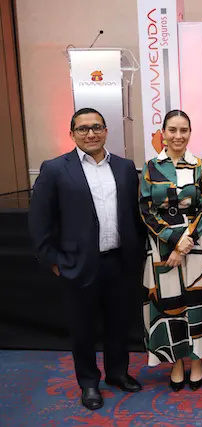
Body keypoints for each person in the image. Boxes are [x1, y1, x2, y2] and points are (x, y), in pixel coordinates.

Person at [28, 108, 145, 410]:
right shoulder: (55, 169)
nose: (90, 133)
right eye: (83, 129)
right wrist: (53, 260)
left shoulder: (124, 167)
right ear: (72, 134)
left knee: (119, 324)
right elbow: (40, 220)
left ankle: (118, 373)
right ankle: (89, 383)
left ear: (106, 131)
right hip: (77, 264)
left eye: (96, 127)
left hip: (120, 261)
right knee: (83, 328)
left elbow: (135, 215)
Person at [139, 109, 202, 392]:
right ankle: (176, 361)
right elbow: (146, 209)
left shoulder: (201, 166)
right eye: (172, 130)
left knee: (197, 301)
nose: (178, 136)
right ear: (162, 133)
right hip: (162, 243)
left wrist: (187, 241)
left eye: (184, 130)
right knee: (169, 304)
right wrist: (173, 240)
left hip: (198, 242)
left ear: (190, 133)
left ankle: (197, 359)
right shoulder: (150, 167)